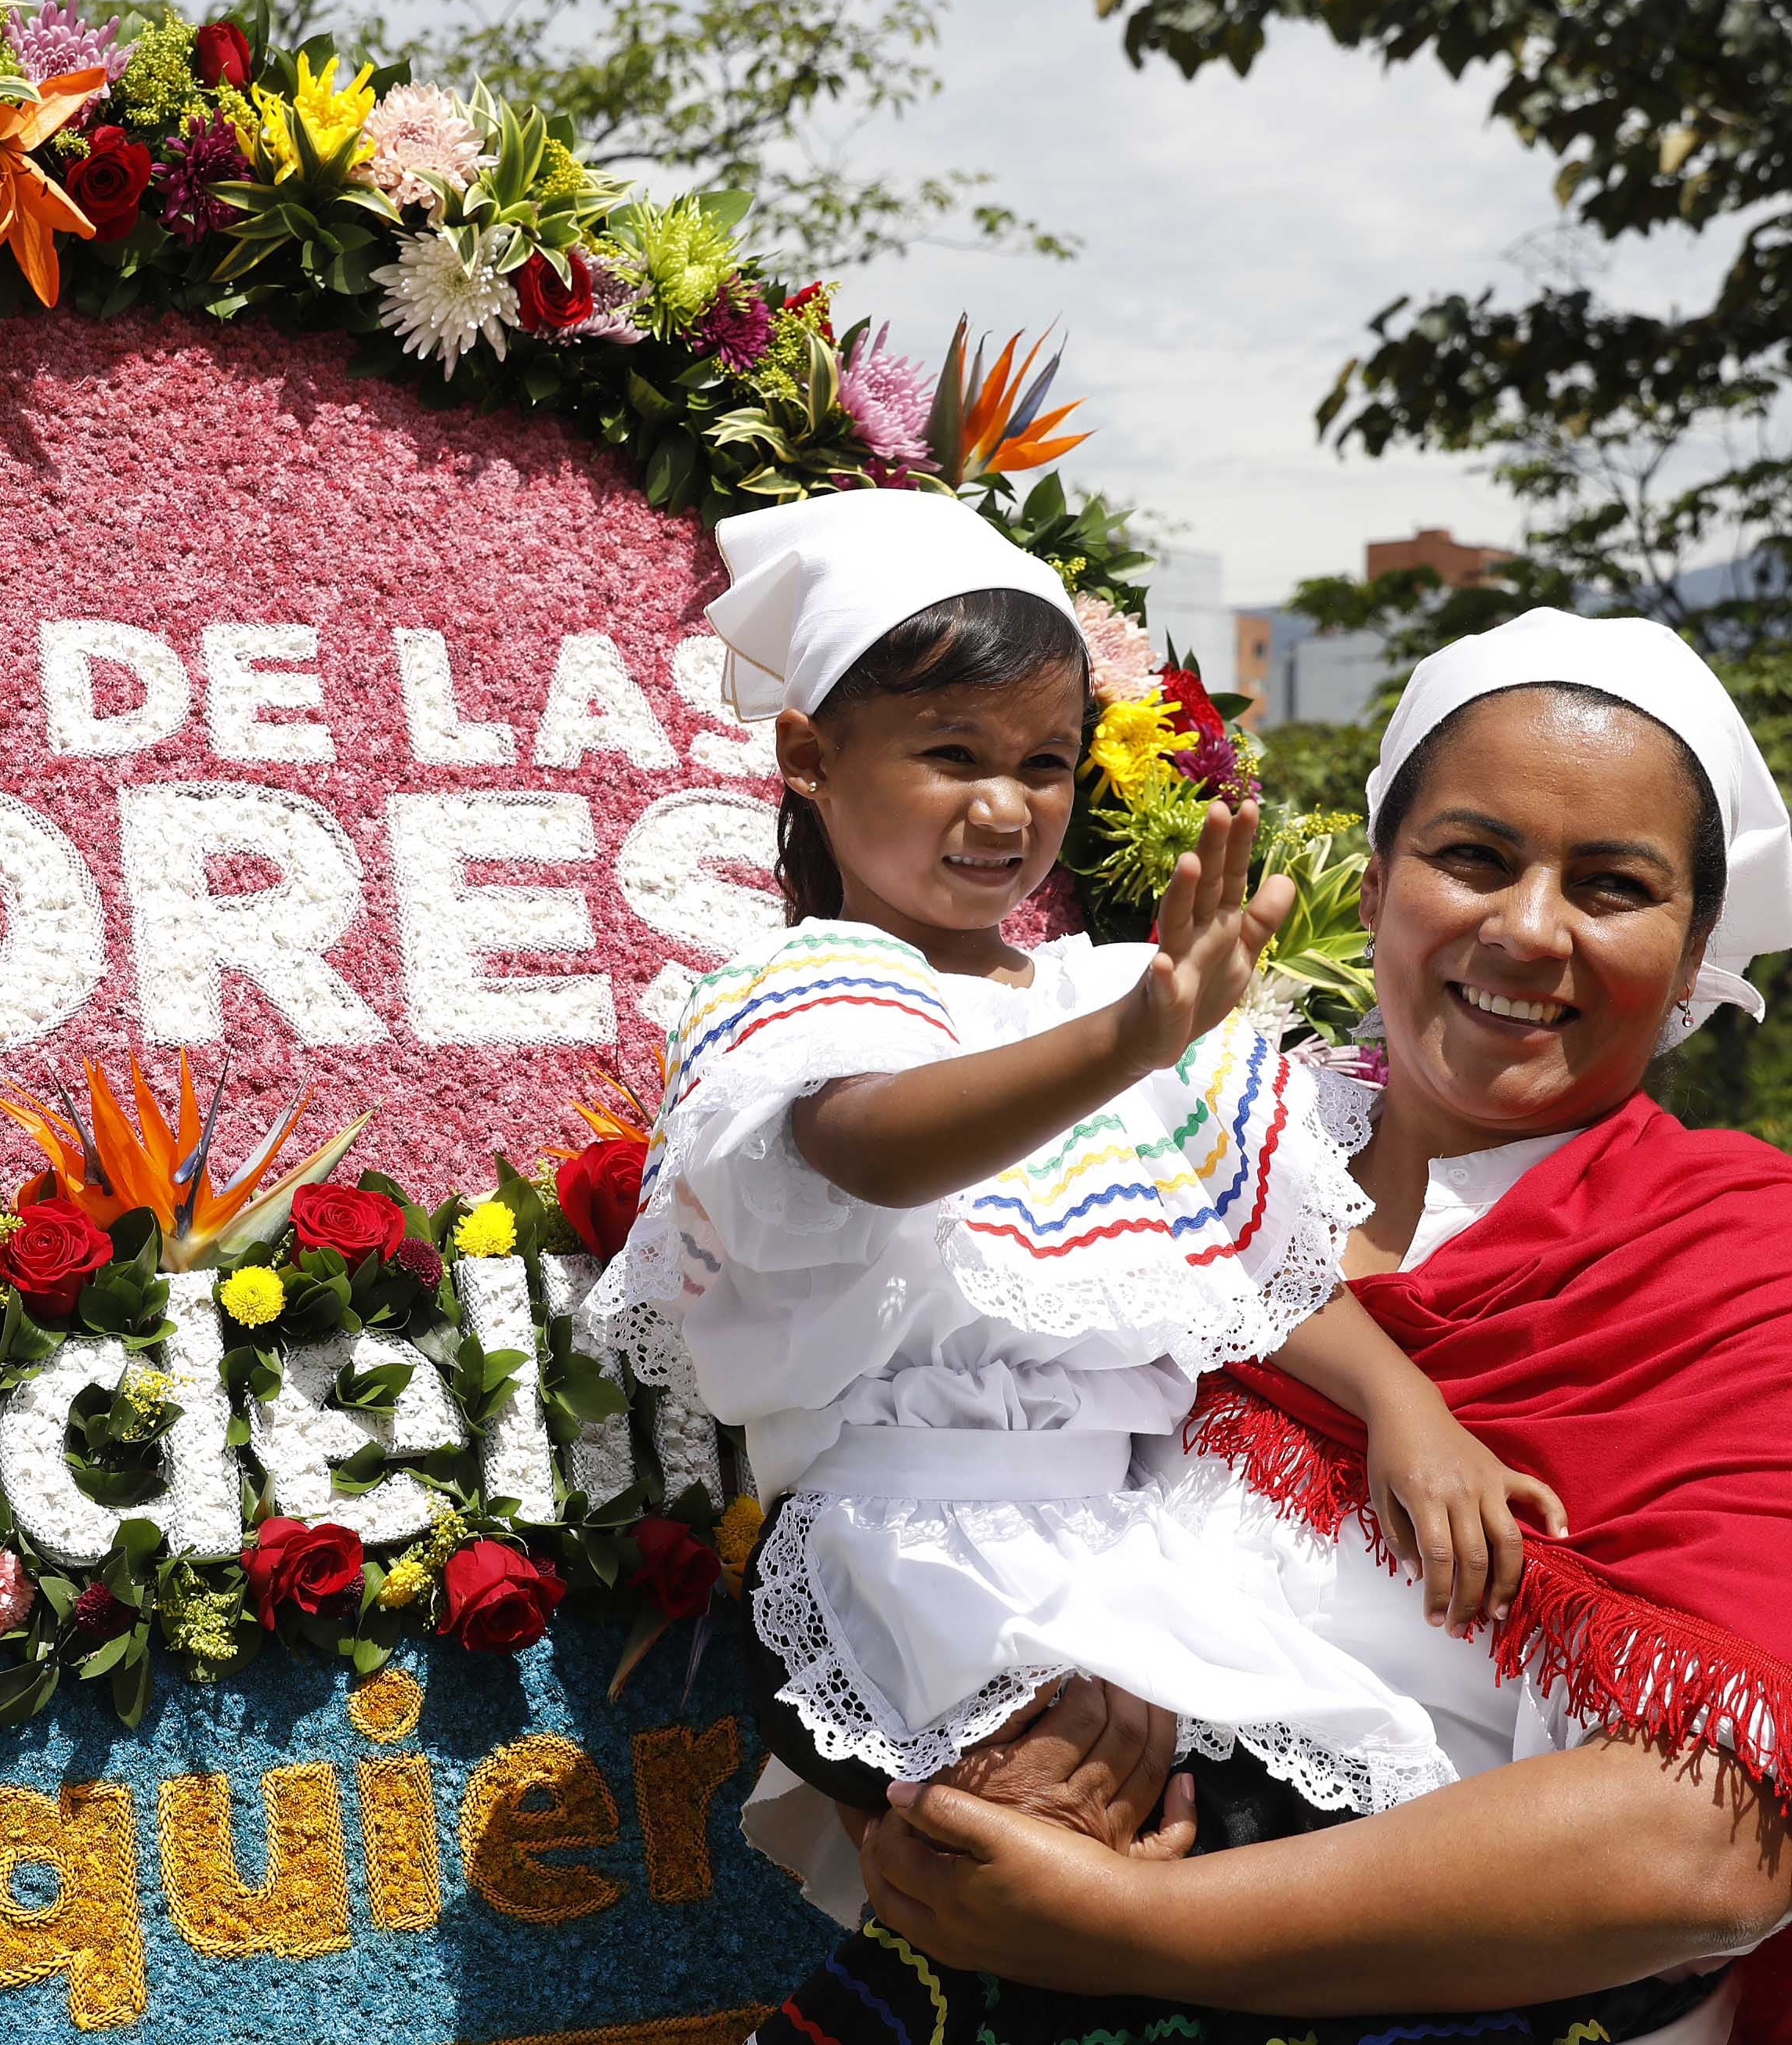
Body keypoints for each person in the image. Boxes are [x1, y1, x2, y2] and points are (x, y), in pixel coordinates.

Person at [779, 610, 1792, 2045]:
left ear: (1695, 950)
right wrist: (972, 1792)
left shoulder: (1749, 1260)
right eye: (1475, 857)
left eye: (1614, 885)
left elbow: (1719, 1836)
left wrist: (1133, 1928)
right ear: (1378, 884)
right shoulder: (1162, 1157)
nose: (1529, 929)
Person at [594, 490, 1566, 1936]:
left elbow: (1248, 1257)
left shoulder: (1105, 991)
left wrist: (1405, 1408)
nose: (1006, 808)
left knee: (1349, 1814)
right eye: (953, 755)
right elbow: (870, 1148)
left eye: (1044, 763)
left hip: (1139, 1537)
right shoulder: (794, 992)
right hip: (912, 1552)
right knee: (1024, 1867)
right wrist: (1125, 1048)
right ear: (809, 757)